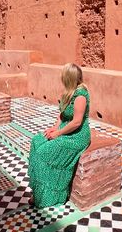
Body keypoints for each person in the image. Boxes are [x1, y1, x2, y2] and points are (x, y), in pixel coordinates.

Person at [27, 63, 91, 208]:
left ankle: (51, 195)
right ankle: (39, 192)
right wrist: (54, 128)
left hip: (76, 136)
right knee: (37, 141)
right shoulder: (68, 92)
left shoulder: (81, 95)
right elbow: (62, 115)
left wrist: (58, 133)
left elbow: (76, 122)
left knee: (45, 152)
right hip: (64, 130)